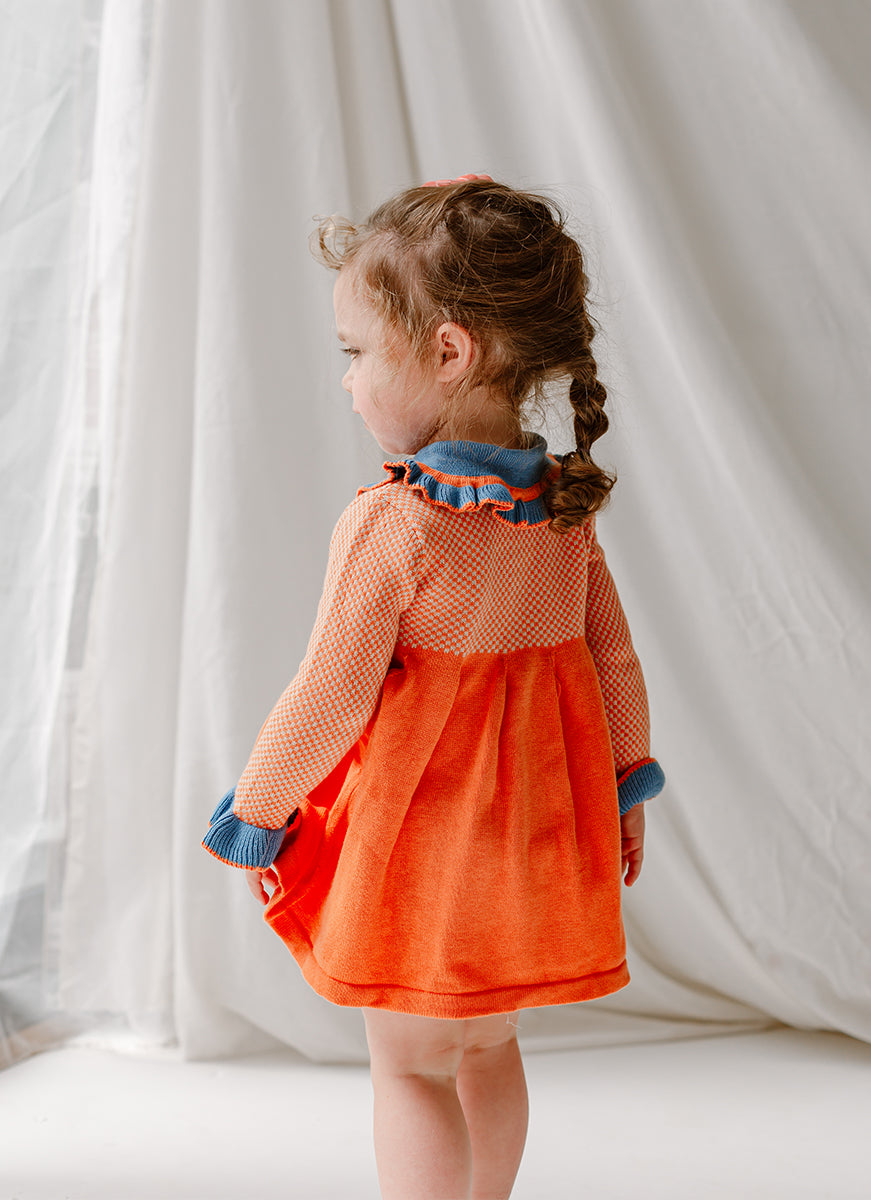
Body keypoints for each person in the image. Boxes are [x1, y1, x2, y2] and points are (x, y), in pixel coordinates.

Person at [203, 174, 665, 1200]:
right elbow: (615, 661)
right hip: (533, 837)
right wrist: (626, 785)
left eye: (356, 354)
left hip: (424, 846)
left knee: (410, 1064)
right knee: (488, 1047)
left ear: (449, 353)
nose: (347, 382)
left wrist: (259, 807)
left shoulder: (397, 525)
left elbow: (329, 693)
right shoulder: (561, 511)